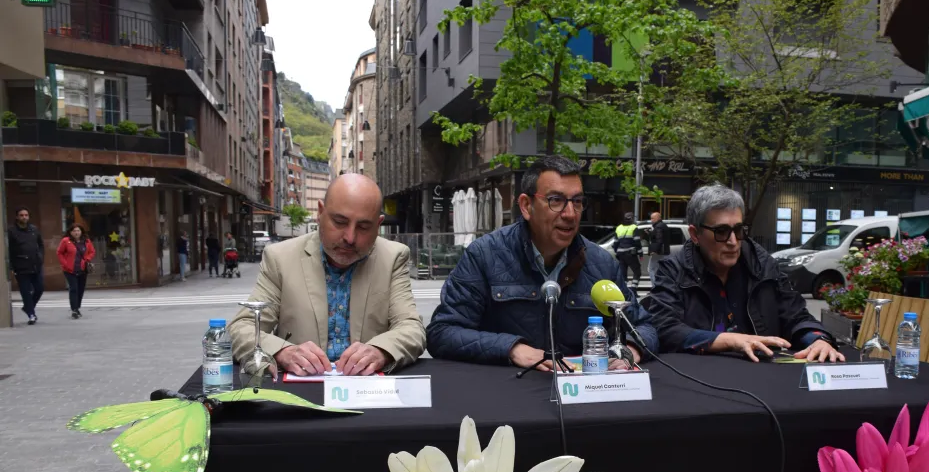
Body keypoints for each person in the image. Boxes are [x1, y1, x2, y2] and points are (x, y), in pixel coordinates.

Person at [427, 155, 658, 370]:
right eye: (556, 200)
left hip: (584, 396)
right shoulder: (485, 255)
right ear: (527, 206)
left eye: (577, 201)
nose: (570, 213)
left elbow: (645, 327)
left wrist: (629, 350)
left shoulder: (602, 264)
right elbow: (442, 333)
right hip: (510, 393)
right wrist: (511, 349)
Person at [227, 174, 425, 376]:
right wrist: (283, 352)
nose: (350, 237)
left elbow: (411, 329)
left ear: (378, 225)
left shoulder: (393, 257)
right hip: (301, 391)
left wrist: (381, 351)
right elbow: (242, 328)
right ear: (320, 213)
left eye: (364, 227)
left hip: (368, 390)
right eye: (339, 222)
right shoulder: (280, 258)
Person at [645, 183, 844, 363]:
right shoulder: (673, 270)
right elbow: (664, 329)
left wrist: (818, 339)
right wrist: (732, 340)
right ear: (695, 234)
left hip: (762, 379)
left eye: (739, 230)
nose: (733, 241)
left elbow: (796, 316)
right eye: (721, 231)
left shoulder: (764, 265)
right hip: (700, 378)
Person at [6, 207, 45, 325]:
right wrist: (12, 266)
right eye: (22, 215)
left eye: (26, 215)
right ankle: (31, 314)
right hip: (21, 266)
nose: (24, 217)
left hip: (35, 264)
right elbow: (9, 250)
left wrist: (40, 257)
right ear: (17, 217)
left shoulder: (34, 229)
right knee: (25, 291)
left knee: (39, 288)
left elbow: (41, 244)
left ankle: (28, 307)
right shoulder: (11, 231)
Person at [56, 223, 96, 319]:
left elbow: (92, 251)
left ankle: (77, 307)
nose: (76, 232)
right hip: (69, 269)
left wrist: (87, 259)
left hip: (82, 269)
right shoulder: (66, 241)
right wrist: (64, 264)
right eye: (74, 231)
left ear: (81, 232)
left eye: (78, 230)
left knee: (80, 289)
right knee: (73, 288)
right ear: (70, 232)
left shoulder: (86, 241)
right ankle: (74, 309)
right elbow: (59, 252)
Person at [613, 212, 642, 290]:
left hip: (620, 254)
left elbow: (615, 242)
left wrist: (617, 252)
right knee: (637, 272)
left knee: (623, 273)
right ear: (632, 219)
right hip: (630, 253)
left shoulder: (619, 228)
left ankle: (624, 290)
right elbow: (637, 241)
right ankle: (633, 289)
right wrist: (640, 253)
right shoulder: (634, 227)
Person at [647, 210, 670, 282]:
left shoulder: (658, 227)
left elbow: (659, 239)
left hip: (658, 252)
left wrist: (655, 251)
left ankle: (655, 287)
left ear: (658, 218)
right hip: (663, 251)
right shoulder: (662, 226)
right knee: (660, 270)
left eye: (652, 218)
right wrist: (650, 234)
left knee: (651, 269)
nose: (651, 220)